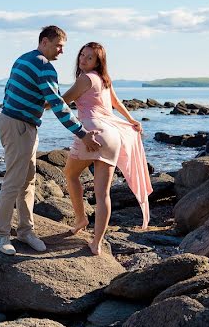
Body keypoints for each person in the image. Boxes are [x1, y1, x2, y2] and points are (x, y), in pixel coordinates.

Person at [0, 26, 102, 255]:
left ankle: (25, 231)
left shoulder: (23, 59)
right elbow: (58, 105)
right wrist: (82, 133)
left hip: (15, 122)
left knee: (28, 180)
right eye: (58, 45)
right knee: (14, 182)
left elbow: (9, 90)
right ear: (44, 42)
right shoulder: (44, 66)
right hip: (19, 125)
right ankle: (2, 235)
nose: (62, 51)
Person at [62, 42, 153, 254]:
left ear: (98, 62)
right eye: (82, 55)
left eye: (89, 57)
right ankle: (97, 243)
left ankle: (81, 219)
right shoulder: (104, 80)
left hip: (91, 133)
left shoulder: (84, 79)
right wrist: (131, 120)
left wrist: (38, 100)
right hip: (112, 136)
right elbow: (116, 103)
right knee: (102, 193)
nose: (83, 60)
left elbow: (62, 101)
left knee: (70, 174)